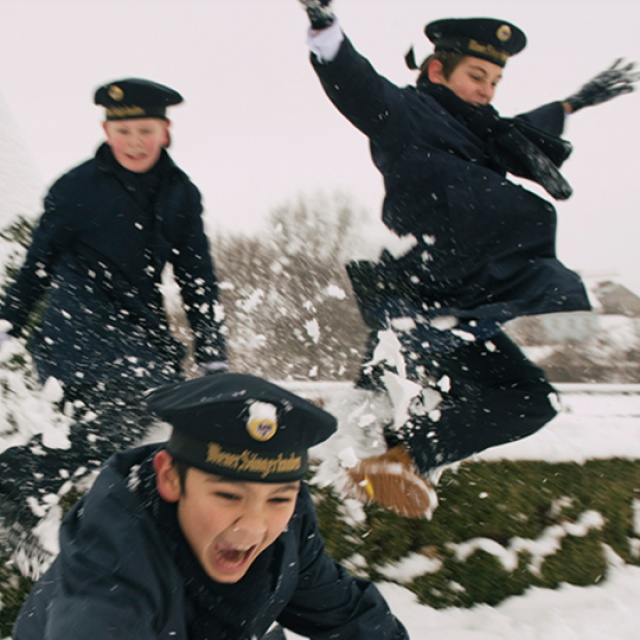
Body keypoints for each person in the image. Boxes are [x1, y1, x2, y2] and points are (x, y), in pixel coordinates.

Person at [297, 1, 639, 517]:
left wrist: (576, 102)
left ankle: (400, 457)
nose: (487, 90)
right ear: (438, 70)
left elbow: (524, 132)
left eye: (495, 81)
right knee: (372, 410)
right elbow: (355, 83)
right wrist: (325, 27)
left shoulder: (484, 131)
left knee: (529, 400)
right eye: (477, 76)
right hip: (419, 297)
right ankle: (370, 460)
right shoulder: (406, 115)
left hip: (465, 305)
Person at [0, 78, 227, 570]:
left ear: (165, 132)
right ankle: (12, 485)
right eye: (122, 130)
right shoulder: (76, 188)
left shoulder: (181, 194)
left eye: (145, 129)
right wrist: (9, 323)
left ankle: (89, 541)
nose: (134, 141)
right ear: (106, 130)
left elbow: (197, 276)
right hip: (74, 326)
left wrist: (212, 351)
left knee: (156, 413)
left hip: (138, 334)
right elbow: (38, 262)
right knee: (128, 413)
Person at [12, 373, 409, 640]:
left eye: (278, 498)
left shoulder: (290, 523)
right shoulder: (112, 565)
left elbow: (344, 613)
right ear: (170, 478)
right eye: (228, 495)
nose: (254, 527)